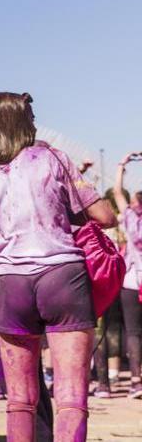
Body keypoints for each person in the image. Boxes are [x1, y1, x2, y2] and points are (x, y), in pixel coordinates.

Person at [0, 92, 117, 442]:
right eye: (29, 117)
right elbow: (104, 216)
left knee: (19, 401)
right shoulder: (52, 159)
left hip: (11, 285)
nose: (34, 123)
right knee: (71, 398)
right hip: (63, 277)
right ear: (18, 123)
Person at [113, 153, 142, 398]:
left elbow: (116, 192)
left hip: (133, 280)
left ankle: (135, 381)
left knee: (133, 332)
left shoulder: (130, 219)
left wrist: (123, 165)